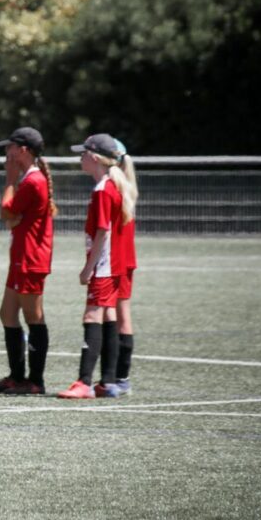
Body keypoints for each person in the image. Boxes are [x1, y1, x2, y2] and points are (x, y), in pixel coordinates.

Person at [59, 134, 136, 399]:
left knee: (91, 316)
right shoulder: (113, 186)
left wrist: (88, 268)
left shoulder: (104, 189)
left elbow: (103, 231)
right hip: (112, 266)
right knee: (109, 317)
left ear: (94, 158)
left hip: (104, 265)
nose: (80, 158)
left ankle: (84, 381)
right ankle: (108, 381)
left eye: (83, 154)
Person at [0, 127, 54, 395]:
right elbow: (12, 218)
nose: (7, 153)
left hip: (31, 258)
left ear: (23, 150)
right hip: (21, 256)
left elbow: (6, 212)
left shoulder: (31, 181)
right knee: (7, 314)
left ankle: (35, 381)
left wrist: (9, 180)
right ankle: (17, 376)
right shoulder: (30, 179)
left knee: (33, 317)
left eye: (10, 148)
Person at [113, 139, 138, 395]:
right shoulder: (127, 188)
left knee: (117, 317)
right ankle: (119, 376)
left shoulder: (115, 189)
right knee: (121, 317)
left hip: (117, 261)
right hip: (124, 260)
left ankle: (119, 377)